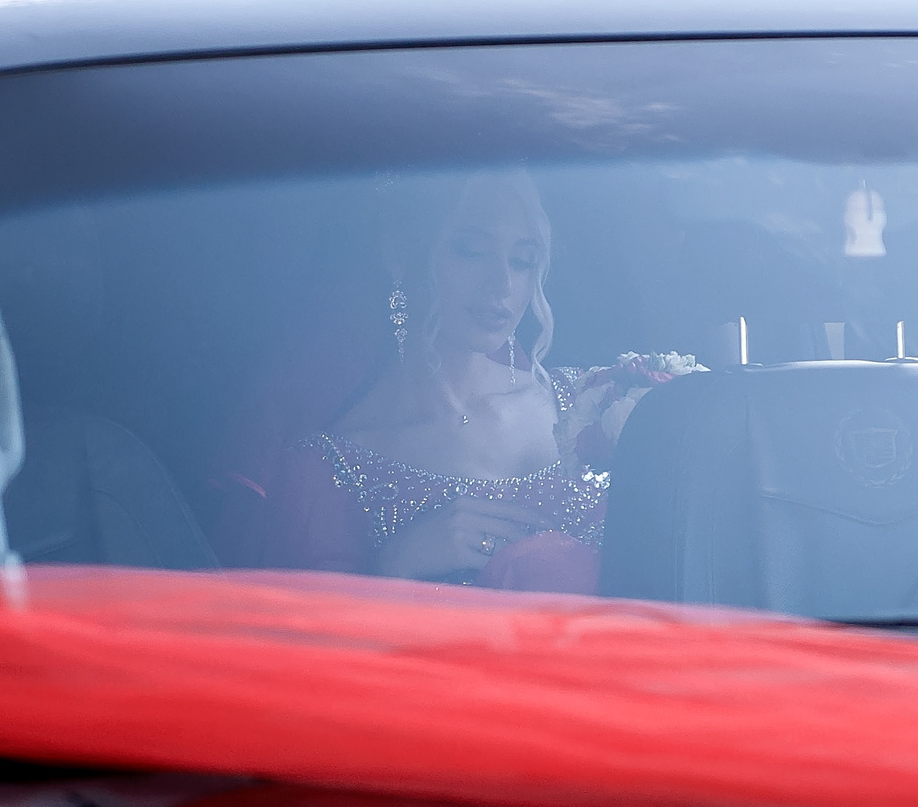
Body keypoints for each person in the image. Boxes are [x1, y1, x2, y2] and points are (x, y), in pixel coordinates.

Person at [259, 170, 688, 592]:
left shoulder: (590, 402)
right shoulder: (329, 472)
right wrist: (394, 567)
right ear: (402, 254)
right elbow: (317, 651)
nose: (501, 283)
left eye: (522, 260)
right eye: (471, 251)